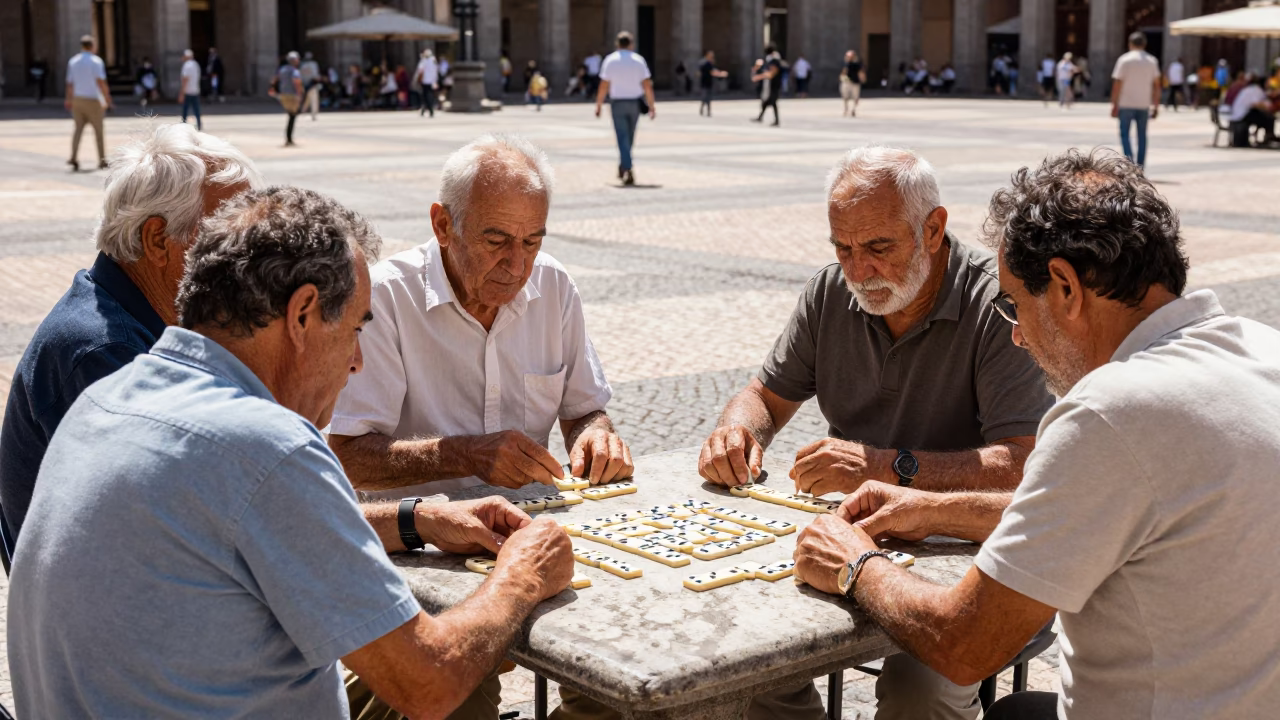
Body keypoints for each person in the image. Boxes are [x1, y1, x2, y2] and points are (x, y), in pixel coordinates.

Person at [9, 184, 576, 718]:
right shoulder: (265, 445)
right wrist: (523, 575)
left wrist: (416, 518)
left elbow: (231, 521)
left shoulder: (112, 394)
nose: (357, 363)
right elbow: (429, 681)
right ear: (303, 314)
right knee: (464, 667)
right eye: (356, 330)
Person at [793, 147, 1280, 720]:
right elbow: (1102, 509)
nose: (1018, 336)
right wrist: (931, 509)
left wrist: (856, 565)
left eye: (1015, 305)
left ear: (1065, 287)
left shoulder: (1110, 412)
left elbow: (962, 644)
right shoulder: (1259, 348)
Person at [700, 145, 1054, 720]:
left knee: (921, 686)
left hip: (967, 551)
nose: (859, 271)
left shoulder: (1000, 306)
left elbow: (1022, 466)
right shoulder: (829, 293)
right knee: (741, 649)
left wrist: (886, 466)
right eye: (844, 248)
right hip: (852, 533)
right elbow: (763, 396)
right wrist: (736, 431)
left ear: (934, 229)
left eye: (879, 248)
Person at [327, 135, 632, 720]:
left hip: (532, 535)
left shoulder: (554, 287)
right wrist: (465, 455)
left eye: (533, 241)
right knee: (458, 694)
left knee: (625, 660)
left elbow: (584, 408)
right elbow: (345, 454)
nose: (517, 265)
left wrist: (595, 434)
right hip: (419, 550)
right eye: (496, 241)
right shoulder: (386, 296)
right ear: (443, 225)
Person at [0, 123, 259, 548]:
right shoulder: (107, 351)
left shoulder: (144, 314)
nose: (251, 255)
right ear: (158, 240)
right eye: (231, 235)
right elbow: (211, 520)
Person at [595, 32, 655, 187]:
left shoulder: (611, 60)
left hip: (618, 103)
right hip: (634, 104)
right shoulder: (638, 60)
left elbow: (604, 85)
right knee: (629, 137)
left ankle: (626, 167)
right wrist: (652, 105)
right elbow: (647, 85)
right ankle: (625, 166)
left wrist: (599, 104)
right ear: (631, 44)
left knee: (622, 137)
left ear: (617, 44)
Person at [1111, 31, 1161, 168]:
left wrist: (1114, 103)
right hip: (1143, 104)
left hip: (1126, 103)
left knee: (1125, 135)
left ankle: (1129, 164)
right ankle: (1140, 166)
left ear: (1129, 44)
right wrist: (1156, 105)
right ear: (1144, 44)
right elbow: (1157, 85)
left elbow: (1117, 84)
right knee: (1142, 136)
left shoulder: (1124, 60)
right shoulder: (1152, 61)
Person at [65, 35, 112, 172]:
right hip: (93, 99)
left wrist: (68, 99)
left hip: (78, 99)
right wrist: (107, 98)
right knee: (98, 131)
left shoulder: (73, 61)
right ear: (92, 46)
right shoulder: (96, 61)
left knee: (78, 129)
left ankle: (73, 157)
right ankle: (102, 160)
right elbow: (101, 82)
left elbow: (69, 83)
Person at [1228, 73, 1277, 146]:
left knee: (1264, 116)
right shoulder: (1257, 90)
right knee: (1269, 119)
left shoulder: (1249, 89)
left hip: (1238, 114)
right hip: (1242, 115)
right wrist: (1268, 107)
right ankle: (1269, 137)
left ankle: (1268, 137)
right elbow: (1255, 104)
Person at [270, 51, 304, 147]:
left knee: (291, 116)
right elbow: (296, 82)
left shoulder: (282, 69)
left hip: (283, 95)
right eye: (297, 59)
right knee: (292, 116)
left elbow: (274, 80)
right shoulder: (295, 71)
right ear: (294, 60)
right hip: (292, 95)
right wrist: (300, 94)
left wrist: (273, 88)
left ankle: (289, 138)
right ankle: (289, 138)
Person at [752, 43, 784, 126]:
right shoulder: (774, 60)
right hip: (773, 84)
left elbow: (771, 74)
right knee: (767, 102)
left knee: (772, 102)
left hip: (774, 85)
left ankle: (776, 121)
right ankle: (761, 117)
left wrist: (760, 76)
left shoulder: (774, 61)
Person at [179, 49, 203, 131]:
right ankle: (199, 125)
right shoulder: (196, 64)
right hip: (195, 90)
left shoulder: (187, 66)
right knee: (196, 109)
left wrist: (182, 93)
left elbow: (185, 79)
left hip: (188, 91)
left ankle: (183, 125)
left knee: (185, 110)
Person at [413, 49, 439, 117]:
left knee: (425, 95)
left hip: (425, 81)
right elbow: (436, 70)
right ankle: (426, 109)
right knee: (429, 95)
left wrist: (416, 79)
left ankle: (427, 109)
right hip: (431, 81)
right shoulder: (433, 60)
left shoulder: (424, 60)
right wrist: (435, 80)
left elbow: (420, 70)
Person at [840, 50, 865, 117]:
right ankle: (846, 109)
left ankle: (853, 110)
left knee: (855, 97)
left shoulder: (857, 64)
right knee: (845, 96)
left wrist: (862, 78)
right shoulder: (845, 63)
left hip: (855, 82)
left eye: (851, 56)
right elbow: (843, 71)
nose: (849, 57)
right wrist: (842, 77)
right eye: (848, 56)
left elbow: (860, 72)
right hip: (847, 82)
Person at [301, 51, 322, 120]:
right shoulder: (314, 64)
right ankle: (314, 114)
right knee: (313, 99)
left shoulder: (301, 64)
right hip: (312, 84)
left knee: (306, 99)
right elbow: (315, 75)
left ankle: (303, 111)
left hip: (304, 84)